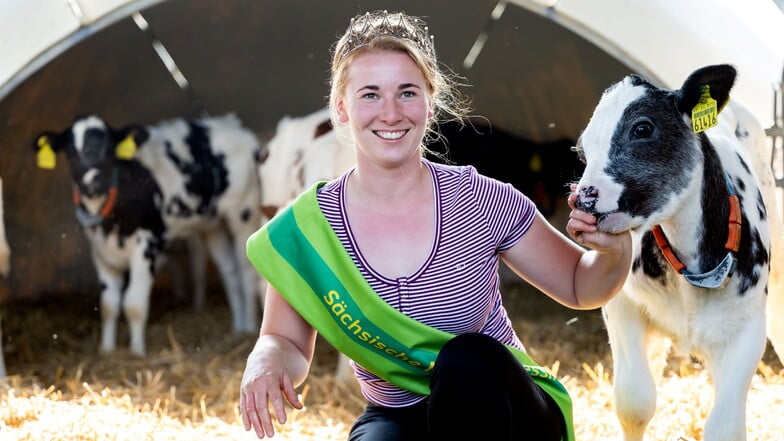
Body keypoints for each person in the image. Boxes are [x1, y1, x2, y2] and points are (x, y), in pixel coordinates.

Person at [240, 10, 632, 441]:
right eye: (370, 95)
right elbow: (287, 342)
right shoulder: (311, 226)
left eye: (407, 92)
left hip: (503, 408)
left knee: (463, 359)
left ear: (430, 101)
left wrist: (615, 251)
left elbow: (580, 285)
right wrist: (266, 359)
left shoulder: (477, 198)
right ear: (342, 107)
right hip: (397, 417)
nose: (390, 113)